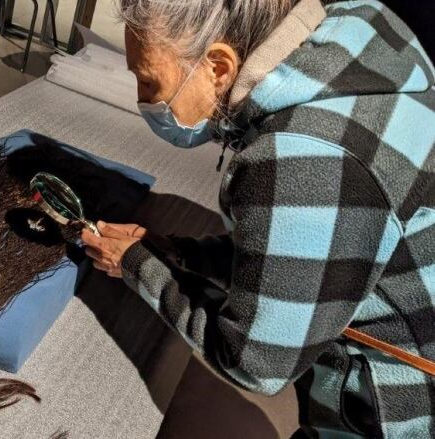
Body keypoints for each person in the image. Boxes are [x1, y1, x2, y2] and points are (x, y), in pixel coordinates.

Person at [82, 0, 435, 437]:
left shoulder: (299, 162)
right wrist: (179, 253)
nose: (143, 100)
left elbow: (253, 362)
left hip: (394, 411)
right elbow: (299, 255)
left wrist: (137, 265)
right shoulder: (359, 30)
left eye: (149, 81)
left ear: (217, 67)